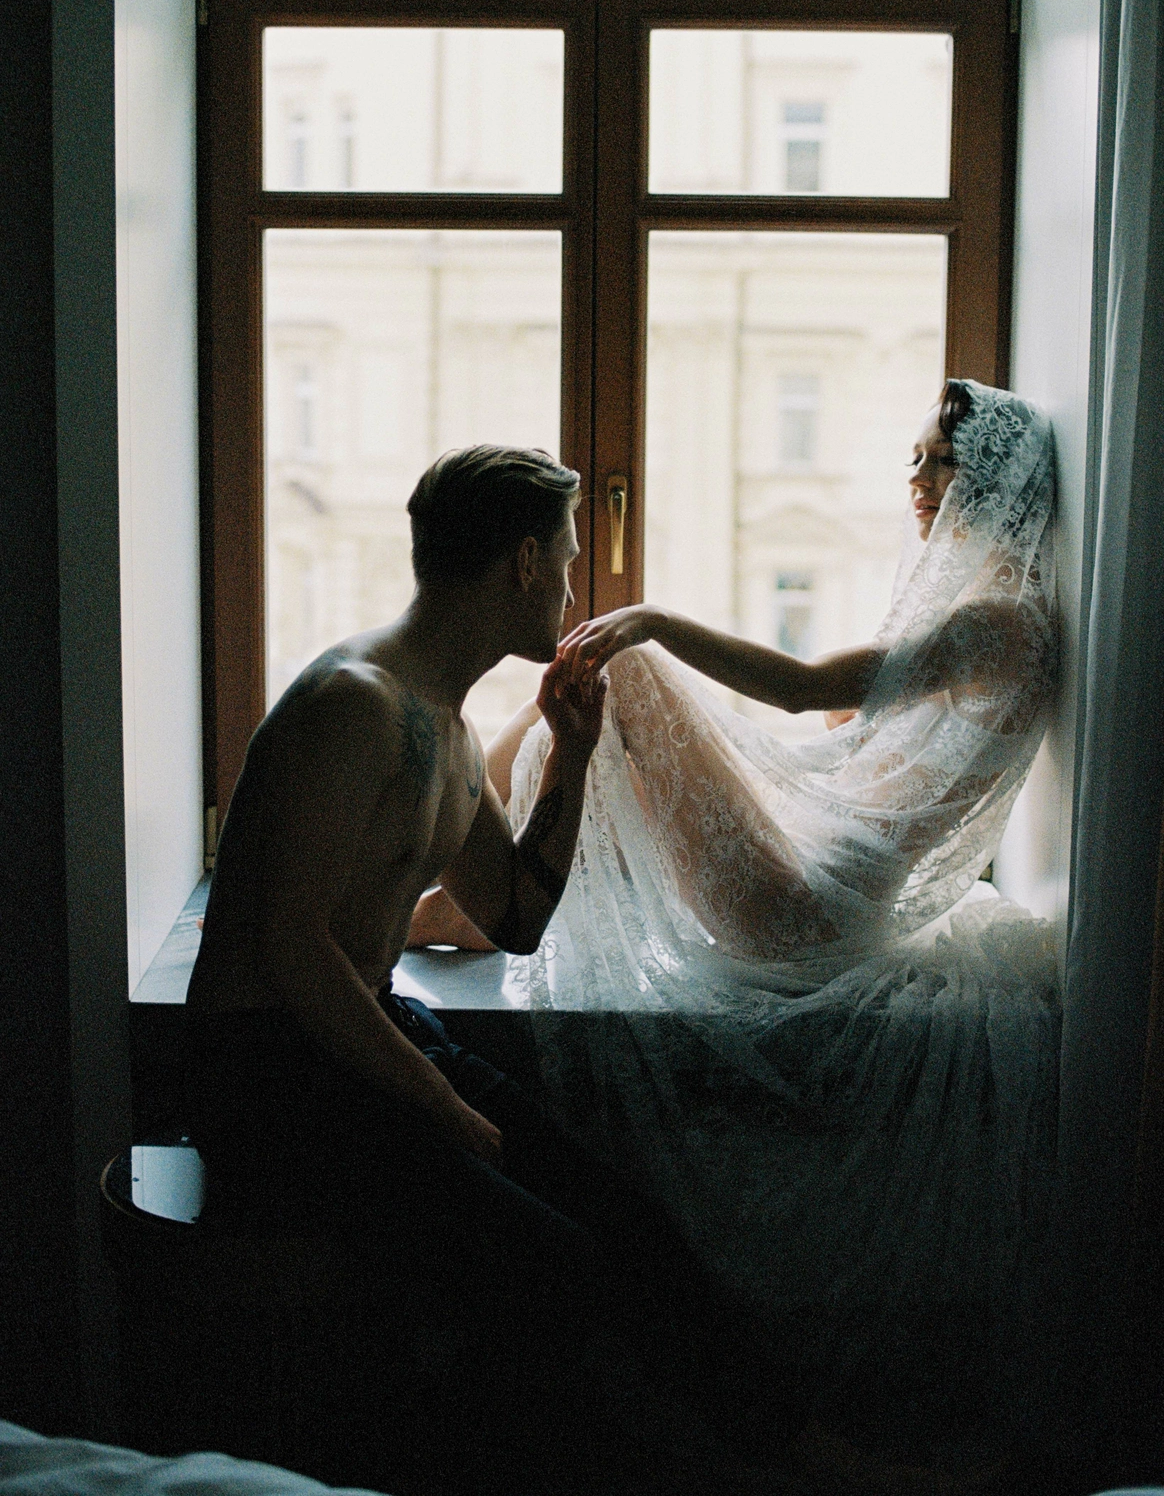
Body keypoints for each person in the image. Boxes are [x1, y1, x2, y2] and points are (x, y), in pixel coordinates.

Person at [412, 382, 1062, 1471]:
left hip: (812, 906)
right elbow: (833, 731)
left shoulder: (1000, 621)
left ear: (988, 488)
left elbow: (806, 693)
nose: (914, 482)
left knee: (625, 666)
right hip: (817, 877)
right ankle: (461, 890)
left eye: (934, 465)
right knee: (612, 698)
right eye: (912, 461)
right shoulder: (970, 608)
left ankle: (455, 856)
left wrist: (656, 620)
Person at [184, 446, 766, 1496]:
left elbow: (515, 918)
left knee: (617, 1213)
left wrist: (573, 754)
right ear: (524, 561)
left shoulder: (446, 730)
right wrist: (439, 1103)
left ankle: (786, 1452)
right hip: (263, 1068)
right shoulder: (356, 703)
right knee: (548, 1269)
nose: (576, 592)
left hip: (360, 1034)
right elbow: (289, 945)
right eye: (571, 562)